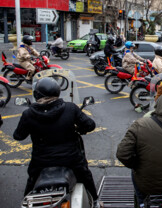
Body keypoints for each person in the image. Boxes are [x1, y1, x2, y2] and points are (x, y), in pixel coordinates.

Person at [13, 77, 101, 207]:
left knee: (31, 183)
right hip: (71, 159)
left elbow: (18, 136)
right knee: (85, 176)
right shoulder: (70, 108)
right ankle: (95, 201)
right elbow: (90, 125)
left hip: (41, 161)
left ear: (37, 94)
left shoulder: (29, 114)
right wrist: (79, 128)